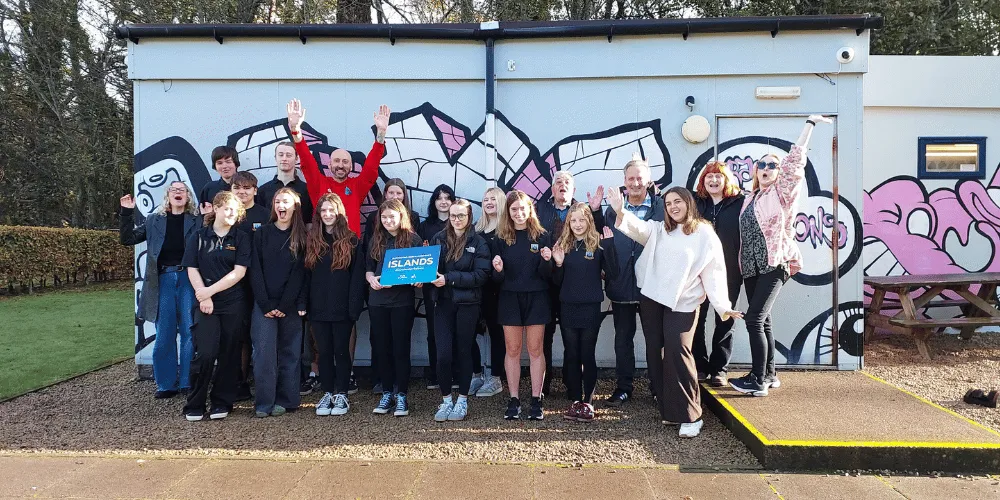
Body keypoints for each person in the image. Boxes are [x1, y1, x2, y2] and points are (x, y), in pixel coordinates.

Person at [606, 186, 743, 438]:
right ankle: (670, 410)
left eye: (678, 202)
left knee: (678, 349)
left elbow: (715, 271)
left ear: (688, 203)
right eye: (668, 203)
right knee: (655, 350)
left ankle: (692, 414)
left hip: (685, 302)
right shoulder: (661, 229)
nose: (673, 207)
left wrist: (722, 304)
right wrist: (620, 209)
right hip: (653, 298)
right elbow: (639, 228)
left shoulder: (704, 233)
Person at [730, 115, 832, 397]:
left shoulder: (782, 193)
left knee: (753, 319)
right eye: (760, 165)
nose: (765, 168)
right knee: (765, 320)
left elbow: (795, 162)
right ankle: (770, 373)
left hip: (775, 263)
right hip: (751, 267)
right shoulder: (751, 198)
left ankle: (757, 380)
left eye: (771, 165)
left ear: (778, 172)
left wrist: (808, 126)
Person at [119, 182, 202, 399]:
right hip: (162, 280)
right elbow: (127, 239)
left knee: (188, 331)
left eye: (181, 190)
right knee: (164, 332)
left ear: (187, 197)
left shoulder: (197, 220)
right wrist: (126, 213)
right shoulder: (154, 220)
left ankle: (186, 381)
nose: (177, 192)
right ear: (167, 195)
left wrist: (210, 218)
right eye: (173, 189)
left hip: (188, 279)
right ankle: (166, 384)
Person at [181, 191, 251, 421]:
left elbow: (239, 272)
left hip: (232, 302)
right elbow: (192, 268)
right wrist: (204, 297)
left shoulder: (241, 238)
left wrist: (210, 292)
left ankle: (222, 402)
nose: (231, 213)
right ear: (216, 209)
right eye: (227, 208)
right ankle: (195, 403)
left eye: (235, 210)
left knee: (230, 353)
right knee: (206, 353)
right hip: (205, 305)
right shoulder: (199, 237)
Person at [601, 156, 664, 407]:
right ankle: (623, 387)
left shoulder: (661, 207)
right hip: (621, 285)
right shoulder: (611, 210)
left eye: (640, 178)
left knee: (655, 339)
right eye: (631, 178)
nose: (636, 183)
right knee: (623, 339)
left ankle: (658, 388)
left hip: (652, 285)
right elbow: (604, 243)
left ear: (648, 180)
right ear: (624, 182)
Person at [534, 171, 605, 397]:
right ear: (552, 189)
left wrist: (596, 210)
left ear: (573, 190)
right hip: (547, 281)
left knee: (577, 345)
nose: (562, 186)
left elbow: (599, 235)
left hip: (576, 286)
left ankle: (572, 386)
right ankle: (543, 385)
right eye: (558, 182)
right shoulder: (541, 209)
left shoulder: (581, 211)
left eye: (567, 183)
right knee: (547, 335)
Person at [552, 203, 618, 423]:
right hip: (568, 306)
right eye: (573, 220)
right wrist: (558, 264)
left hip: (590, 306)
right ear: (568, 223)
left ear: (589, 221)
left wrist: (609, 247)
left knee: (587, 353)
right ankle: (574, 400)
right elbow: (555, 282)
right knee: (571, 353)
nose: (578, 224)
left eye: (582, 220)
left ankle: (588, 401)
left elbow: (613, 273)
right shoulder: (562, 244)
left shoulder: (598, 243)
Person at [492, 190, 553, 421]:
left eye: (522, 208)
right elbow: (496, 280)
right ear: (508, 212)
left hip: (537, 298)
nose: (519, 213)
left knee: (536, 350)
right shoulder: (500, 238)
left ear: (530, 210)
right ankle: (514, 399)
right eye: (514, 209)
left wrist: (547, 262)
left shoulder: (542, 236)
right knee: (513, 350)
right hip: (509, 299)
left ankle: (537, 399)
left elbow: (548, 276)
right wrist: (498, 270)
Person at [286, 98, 389, 235]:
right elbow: (307, 161)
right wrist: (295, 130)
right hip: (321, 247)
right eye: (337, 161)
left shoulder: (357, 187)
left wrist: (381, 133)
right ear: (329, 164)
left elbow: (371, 167)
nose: (341, 165)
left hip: (350, 249)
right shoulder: (319, 183)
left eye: (345, 162)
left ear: (351, 166)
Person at [428, 199, 491, 421]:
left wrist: (449, 279)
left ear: (469, 217)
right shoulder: (438, 239)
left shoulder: (479, 242)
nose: (456, 219)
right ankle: (446, 401)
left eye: (461, 216)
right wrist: (422, 275)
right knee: (443, 355)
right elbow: (429, 268)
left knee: (464, 352)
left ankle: (462, 400)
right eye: (453, 215)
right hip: (443, 304)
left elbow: (481, 276)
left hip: (468, 306)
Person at [249, 188, 309, 417]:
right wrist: (265, 304)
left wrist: (284, 305)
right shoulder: (261, 234)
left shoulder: (302, 237)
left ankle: (288, 400)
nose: (281, 205)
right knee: (264, 353)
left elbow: (300, 274)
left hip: (289, 305)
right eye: (277, 201)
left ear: (295, 206)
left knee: (290, 353)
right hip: (263, 304)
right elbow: (255, 270)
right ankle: (264, 403)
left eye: (286, 201)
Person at [306, 193, 366, 416]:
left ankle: (342, 393)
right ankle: (327, 391)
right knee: (323, 351)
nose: (328, 214)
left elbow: (357, 278)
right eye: (324, 211)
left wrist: (354, 308)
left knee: (341, 351)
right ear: (319, 214)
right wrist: (305, 304)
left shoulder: (351, 240)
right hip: (318, 307)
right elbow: (306, 276)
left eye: (332, 210)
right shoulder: (312, 240)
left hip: (342, 309)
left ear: (339, 213)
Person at [367, 199, 424, 417]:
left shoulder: (413, 239)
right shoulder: (376, 239)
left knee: (400, 348)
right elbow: (368, 269)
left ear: (401, 217)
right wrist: (372, 280)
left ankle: (402, 395)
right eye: (384, 217)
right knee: (382, 348)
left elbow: (422, 271)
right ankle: (387, 392)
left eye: (392, 216)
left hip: (402, 303)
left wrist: (420, 279)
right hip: (377, 301)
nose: (388, 220)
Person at [693, 161, 746, 388]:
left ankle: (719, 369)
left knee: (724, 318)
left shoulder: (739, 203)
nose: (714, 181)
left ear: (727, 180)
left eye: (719, 176)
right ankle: (700, 365)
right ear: (702, 181)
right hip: (698, 271)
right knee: (696, 318)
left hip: (729, 271)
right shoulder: (696, 203)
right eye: (709, 177)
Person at [230, 171, 270, 401]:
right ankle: (237, 382)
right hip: (231, 285)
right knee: (236, 335)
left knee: (257, 336)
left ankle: (253, 381)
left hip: (259, 284)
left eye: (247, 188)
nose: (242, 192)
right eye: (237, 188)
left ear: (255, 190)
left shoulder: (265, 215)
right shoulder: (227, 215)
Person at [472, 187, 506, 397]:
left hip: (499, 291)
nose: (489, 202)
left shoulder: (506, 231)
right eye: (485, 199)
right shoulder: (476, 231)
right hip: (477, 289)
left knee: (497, 334)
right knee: (470, 332)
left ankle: (495, 378)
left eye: (493, 199)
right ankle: (476, 375)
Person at [256, 141, 313, 224]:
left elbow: (309, 222)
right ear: (275, 157)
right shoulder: (263, 190)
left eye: (289, 155)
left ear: (296, 159)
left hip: (299, 236)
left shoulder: (307, 190)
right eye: (281, 155)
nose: (284, 158)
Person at [199, 146, 240, 211]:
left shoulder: (247, 187)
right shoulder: (209, 188)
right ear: (215, 166)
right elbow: (203, 214)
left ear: (236, 164)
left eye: (228, 161)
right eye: (219, 163)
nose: (224, 166)